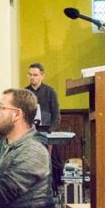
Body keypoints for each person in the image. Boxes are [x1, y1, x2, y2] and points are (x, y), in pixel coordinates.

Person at [25, 63, 62, 194]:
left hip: (47, 132)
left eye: (35, 75)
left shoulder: (50, 91)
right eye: (30, 75)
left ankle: (51, 190)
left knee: (50, 162)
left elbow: (56, 115)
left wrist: (51, 131)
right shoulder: (25, 93)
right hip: (30, 133)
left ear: (42, 76)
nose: (32, 77)